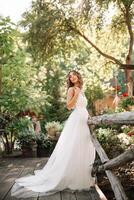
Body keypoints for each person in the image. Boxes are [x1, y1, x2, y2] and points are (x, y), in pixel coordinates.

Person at [11, 70, 96, 198]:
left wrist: (90, 119)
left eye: (74, 75)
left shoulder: (80, 89)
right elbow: (69, 106)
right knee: (72, 148)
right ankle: (68, 177)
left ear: (78, 76)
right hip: (76, 120)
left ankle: (80, 176)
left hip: (84, 121)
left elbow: (84, 107)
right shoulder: (72, 90)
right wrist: (76, 95)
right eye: (70, 77)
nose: (72, 78)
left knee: (82, 147)